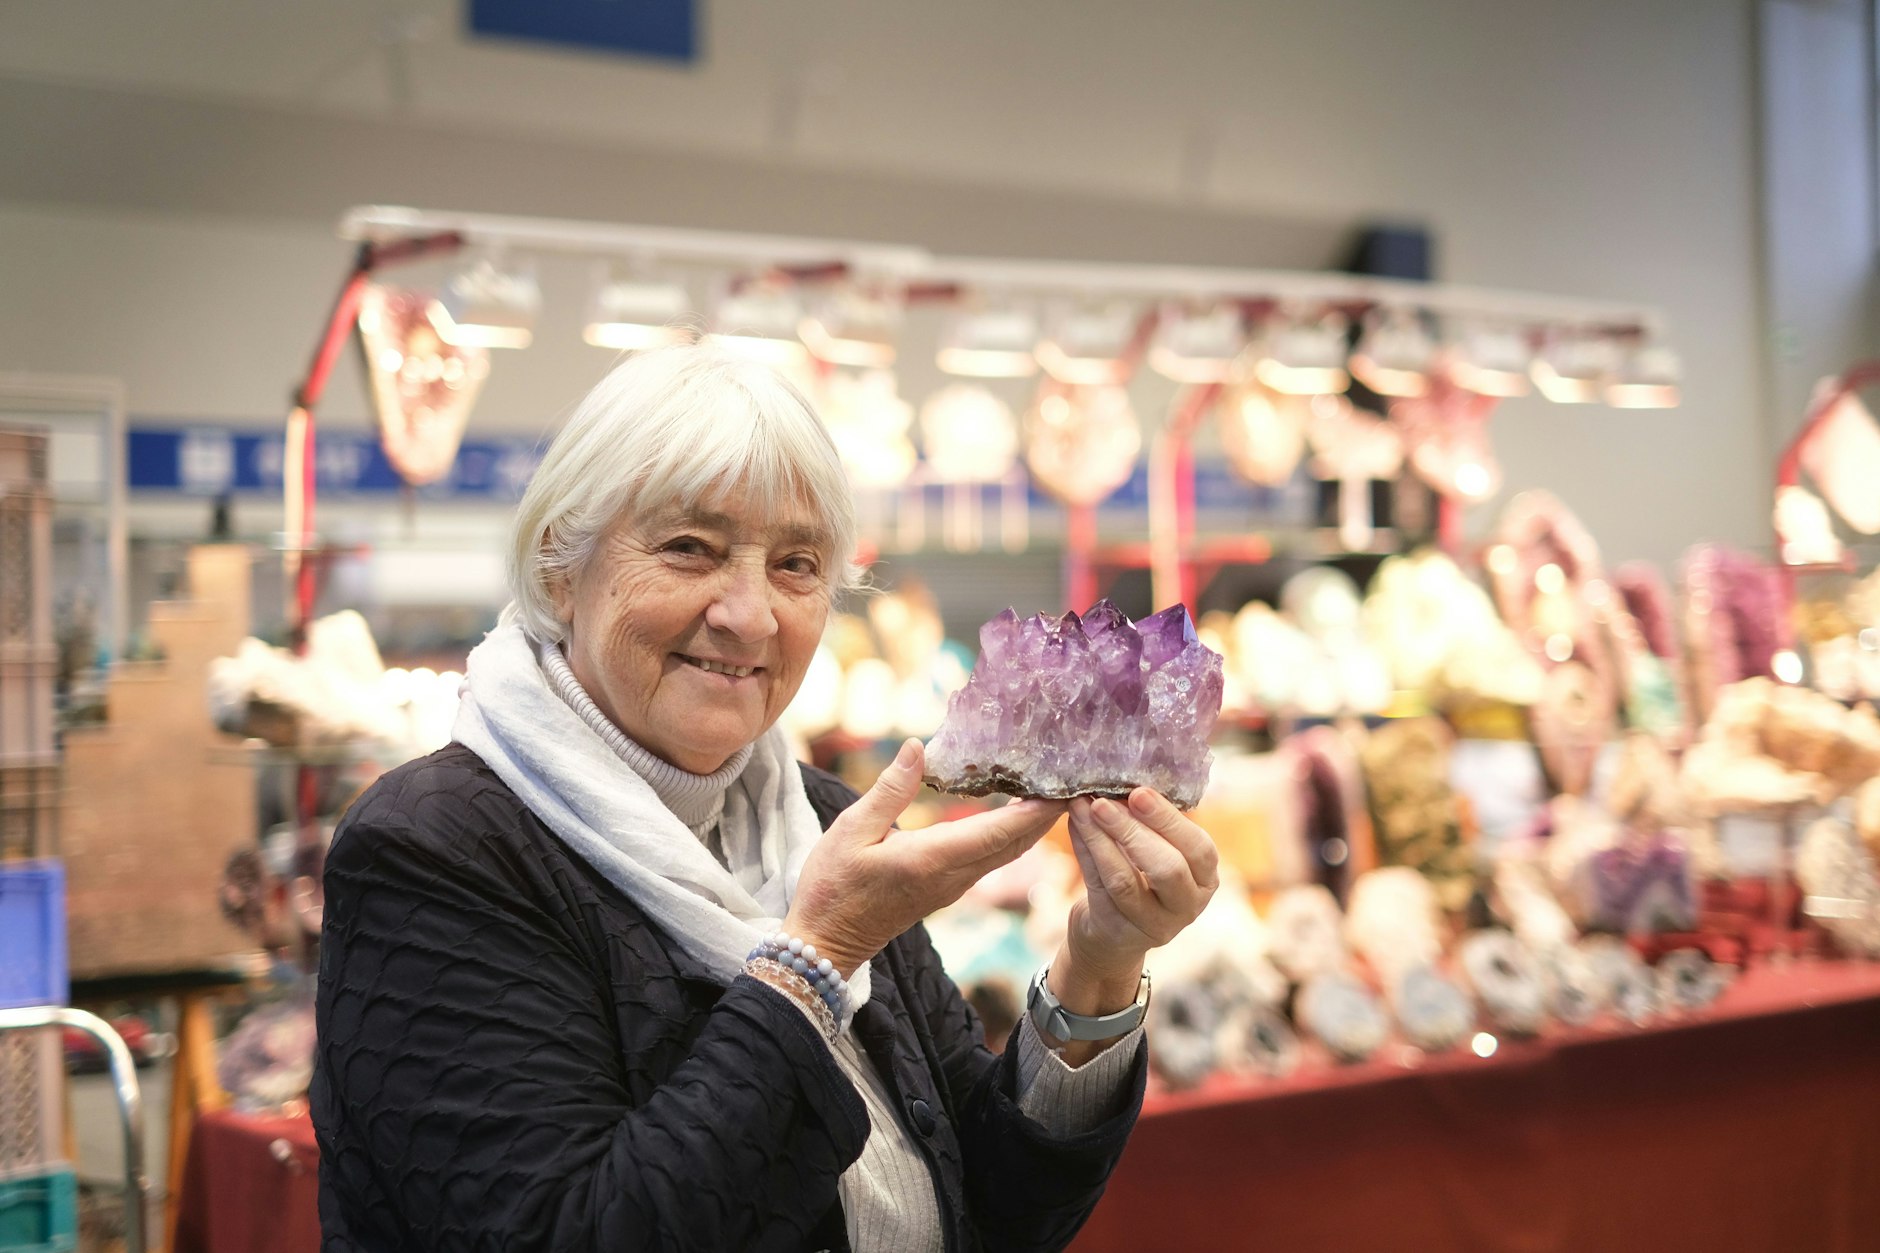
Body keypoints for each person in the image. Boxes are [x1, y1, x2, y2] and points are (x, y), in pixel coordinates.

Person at [312, 341, 1221, 1252]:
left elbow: (994, 1203)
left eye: (796, 564)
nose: (749, 615)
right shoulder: (432, 848)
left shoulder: (821, 816)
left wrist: (1101, 963)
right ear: (560, 566)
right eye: (687, 548)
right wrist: (816, 959)